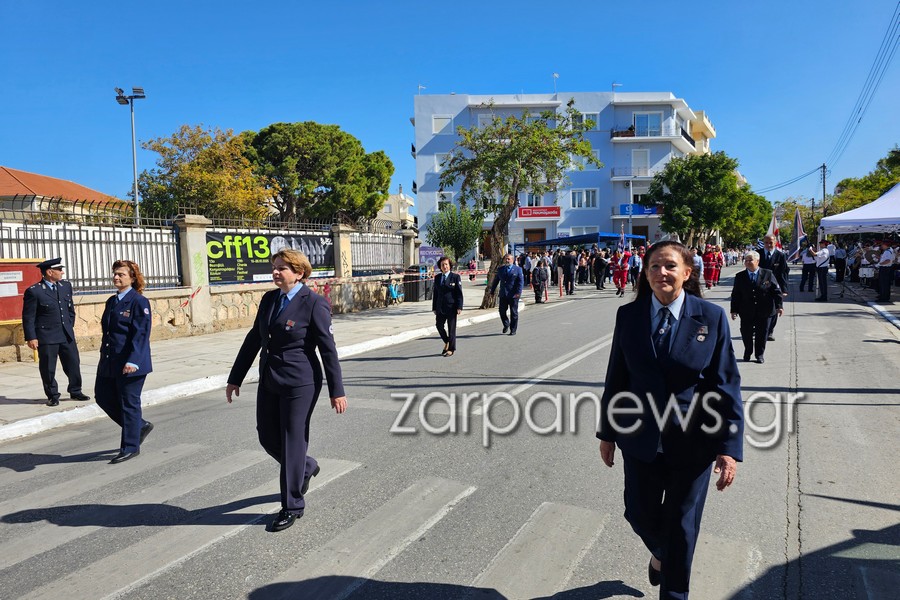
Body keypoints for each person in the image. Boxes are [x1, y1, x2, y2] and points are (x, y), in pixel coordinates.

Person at [598, 240, 743, 600]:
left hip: (694, 443)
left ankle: (674, 591)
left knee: (681, 527)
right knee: (638, 514)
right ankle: (661, 555)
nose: (661, 272)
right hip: (640, 438)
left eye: (670, 266)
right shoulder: (629, 316)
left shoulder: (710, 317)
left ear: (687, 272)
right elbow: (617, 376)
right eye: (654, 266)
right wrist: (607, 432)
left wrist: (728, 447)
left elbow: (725, 384)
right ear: (645, 273)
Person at [226, 249, 348, 532]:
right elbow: (254, 339)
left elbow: (328, 350)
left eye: (282, 268)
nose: (275, 272)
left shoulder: (314, 303)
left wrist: (337, 390)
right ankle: (305, 467)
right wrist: (235, 378)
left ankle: (292, 505)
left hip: (300, 382)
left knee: (293, 441)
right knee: (266, 435)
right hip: (270, 379)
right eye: (275, 267)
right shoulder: (270, 299)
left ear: (299, 273)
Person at [95, 260, 154, 464]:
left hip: (131, 363)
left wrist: (134, 361)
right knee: (102, 396)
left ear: (132, 278)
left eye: (121, 274)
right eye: (115, 274)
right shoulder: (112, 301)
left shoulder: (139, 302)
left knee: (129, 403)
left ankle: (130, 446)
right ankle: (139, 426)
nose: (116, 277)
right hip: (110, 361)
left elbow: (141, 334)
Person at [21, 258, 90, 407]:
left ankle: (75, 391)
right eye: (59, 270)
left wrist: (69, 326)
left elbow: (70, 310)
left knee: (73, 364)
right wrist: (31, 337)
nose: (62, 272)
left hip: (66, 334)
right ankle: (52, 395)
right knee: (48, 368)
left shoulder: (65, 286)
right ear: (50, 272)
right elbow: (28, 317)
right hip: (47, 336)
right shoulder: (35, 291)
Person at [730, 251, 783, 364]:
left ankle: (759, 354)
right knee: (746, 333)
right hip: (746, 310)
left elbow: (776, 291)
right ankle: (748, 351)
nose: (748, 262)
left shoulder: (768, 274)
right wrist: (734, 310)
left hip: (764, 310)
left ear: (757, 261)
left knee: (762, 334)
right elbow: (736, 294)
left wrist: (779, 306)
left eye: (750, 260)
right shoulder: (740, 276)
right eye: (746, 260)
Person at [758, 235, 789, 341]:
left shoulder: (780, 255)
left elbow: (783, 273)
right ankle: (759, 329)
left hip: (774, 287)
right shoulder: (757, 254)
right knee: (759, 308)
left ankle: (770, 331)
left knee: (774, 309)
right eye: (766, 243)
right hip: (760, 286)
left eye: (771, 242)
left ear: (775, 243)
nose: (768, 245)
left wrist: (784, 289)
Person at [432, 256, 463, 356]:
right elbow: (435, 293)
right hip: (440, 307)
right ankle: (447, 341)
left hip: (451, 307)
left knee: (451, 328)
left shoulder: (455, 277)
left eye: (446, 264)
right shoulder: (437, 278)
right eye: (442, 265)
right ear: (440, 266)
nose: (444, 266)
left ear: (449, 266)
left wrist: (459, 306)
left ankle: (451, 349)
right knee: (439, 326)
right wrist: (434, 307)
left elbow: (459, 293)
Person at [489, 253, 524, 335]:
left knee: (514, 312)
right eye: (506, 259)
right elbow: (496, 281)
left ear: (512, 260)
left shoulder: (518, 269)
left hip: (513, 294)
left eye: (509, 259)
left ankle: (513, 329)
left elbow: (520, 282)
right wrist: (492, 291)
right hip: (503, 294)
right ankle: (506, 324)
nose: (507, 260)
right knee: (501, 311)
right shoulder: (500, 269)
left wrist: (518, 293)